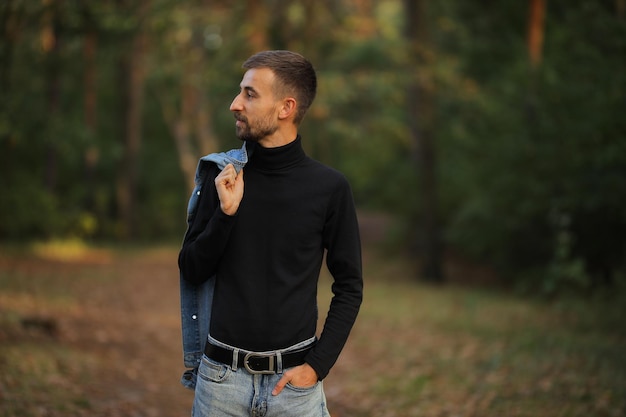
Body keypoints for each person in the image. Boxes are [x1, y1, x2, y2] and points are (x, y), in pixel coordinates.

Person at [178, 50, 363, 417]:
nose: (235, 104)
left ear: (285, 108)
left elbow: (350, 286)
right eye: (239, 92)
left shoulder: (329, 188)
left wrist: (317, 367)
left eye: (249, 94)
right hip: (220, 385)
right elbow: (191, 269)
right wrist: (226, 215)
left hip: (293, 392)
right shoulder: (224, 177)